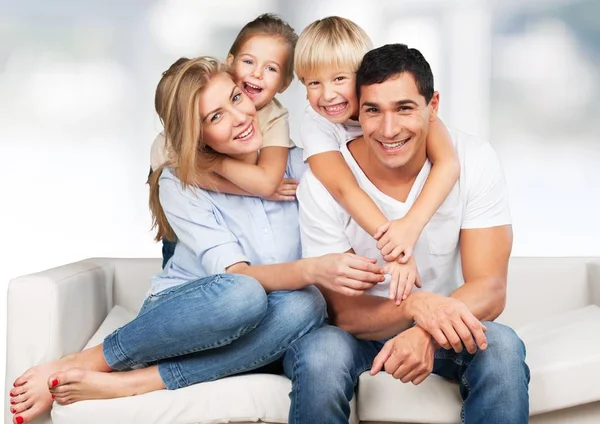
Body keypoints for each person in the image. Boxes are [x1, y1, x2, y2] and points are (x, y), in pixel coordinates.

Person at [9, 57, 383, 424]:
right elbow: (240, 275)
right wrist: (311, 268)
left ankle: (138, 383)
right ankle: (82, 363)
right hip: (190, 315)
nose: (239, 118)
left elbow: (374, 143)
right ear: (197, 134)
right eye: (215, 117)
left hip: (272, 327)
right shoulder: (181, 183)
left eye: (236, 98)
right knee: (243, 293)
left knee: (307, 305)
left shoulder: (303, 165)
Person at [283, 43, 530, 424]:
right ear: (356, 111)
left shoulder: (474, 158)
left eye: (404, 108)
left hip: (446, 324)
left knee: (501, 347)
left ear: (432, 106)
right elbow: (345, 313)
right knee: (320, 354)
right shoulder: (323, 182)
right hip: (359, 334)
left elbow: (491, 288)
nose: (388, 129)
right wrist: (414, 306)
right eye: (373, 111)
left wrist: (426, 332)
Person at [294, 17, 461, 302]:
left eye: (339, 79)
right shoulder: (316, 122)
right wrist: (396, 249)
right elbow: (343, 188)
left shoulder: (399, 103)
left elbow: (448, 164)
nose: (327, 94)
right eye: (313, 83)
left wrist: (410, 227)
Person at [151, 13, 301, 268]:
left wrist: (213, 164)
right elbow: (173, 172)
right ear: (230, 63)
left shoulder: (274, 117)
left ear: (285, 84)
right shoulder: (185, 121)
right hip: (188, 218)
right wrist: (219, 164)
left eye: (271, 68)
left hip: (239, 222)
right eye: (249, 61)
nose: (257, 74)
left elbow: (266, 183)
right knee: (181, 255)